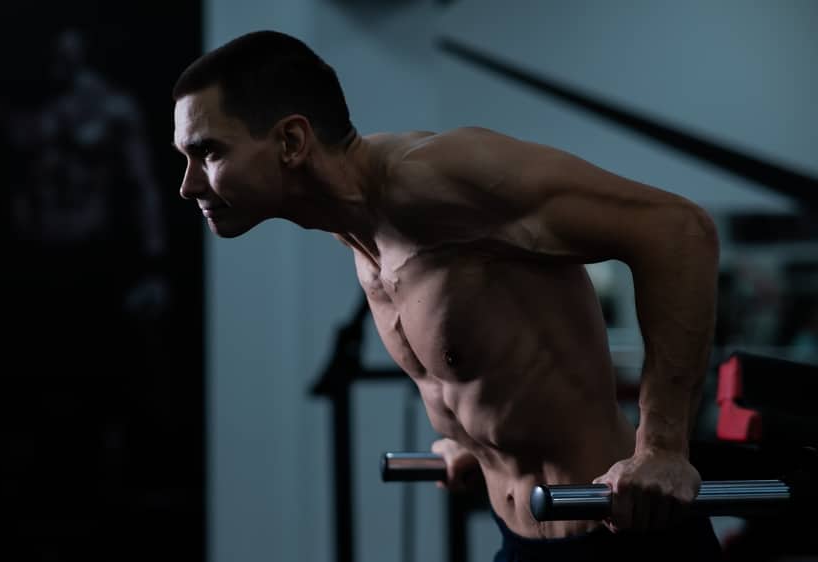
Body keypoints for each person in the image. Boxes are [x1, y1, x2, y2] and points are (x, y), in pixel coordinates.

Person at [172, 30, 721, 560]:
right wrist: (472, 441)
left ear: (292, 141)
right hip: (521, 540)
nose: (188, 184)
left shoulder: (442, 181)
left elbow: (677, 230)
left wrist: (663, 448)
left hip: (618, 540)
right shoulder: (354, 227)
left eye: (208, 153)